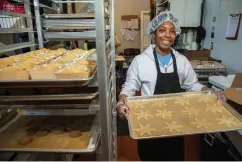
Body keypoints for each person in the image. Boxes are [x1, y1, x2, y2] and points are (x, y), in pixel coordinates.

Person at [116, 11, 226, 161]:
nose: (167, 35)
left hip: (176, 123)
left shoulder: (181, 61)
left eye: (172, 31)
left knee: (173, 156)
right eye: (162, 30)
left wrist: (210, 91)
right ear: (153, 33)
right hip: (149, 123)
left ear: (176, 35)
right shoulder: (140, 61)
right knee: (149, 156)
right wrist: (122, 101)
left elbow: (192, 84)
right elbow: (129, 87)